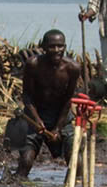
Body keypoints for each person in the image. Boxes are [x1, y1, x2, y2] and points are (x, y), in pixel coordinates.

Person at [7, 30, 80, 177]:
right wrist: (37, 120)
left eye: (60, 46)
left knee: (77, 164)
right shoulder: (33, 65)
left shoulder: (72, 68)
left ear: (65, 47)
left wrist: (58, 129)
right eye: (52, 46)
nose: (56, 51)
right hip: (36, 113)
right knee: (25, 162)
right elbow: (26, 96)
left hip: (61, 116)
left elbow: (68, 101)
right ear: (43, 47)